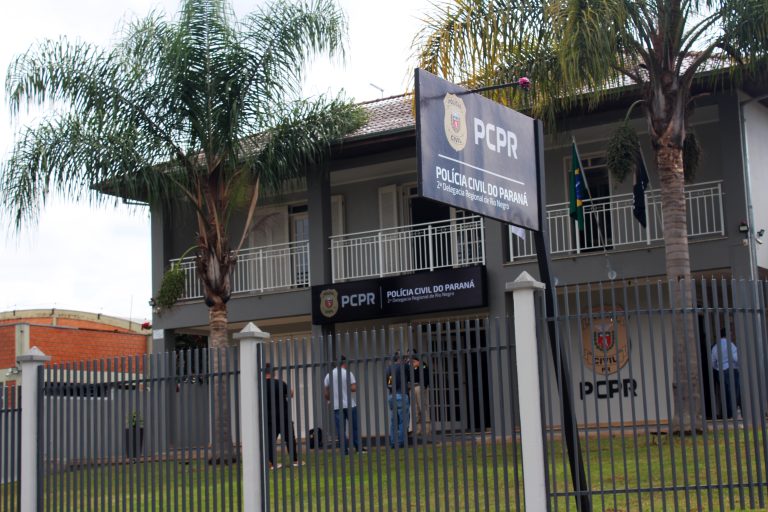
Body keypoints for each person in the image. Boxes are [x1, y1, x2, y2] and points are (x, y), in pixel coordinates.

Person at [262, 363, 302, 469]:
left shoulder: (261, 385)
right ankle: (294, 460)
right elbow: (291, 394)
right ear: (273, 373)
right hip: (283, 416)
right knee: (289, 438)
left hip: (269, 417)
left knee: (270, 440)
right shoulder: (280, 383)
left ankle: (271, 463)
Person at [323, 355, 365, 454]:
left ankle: (344, 450)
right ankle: (358, 448)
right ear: (344, 363)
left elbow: (325, 393)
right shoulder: (348, 373)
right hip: (350, 405)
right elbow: (354, 388)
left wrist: (329, 399)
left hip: (337, 406)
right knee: (354, 427)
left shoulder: (329, 375)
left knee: (341, 429)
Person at [711, 327, 741, 420]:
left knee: (725, 393)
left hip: (721, 372)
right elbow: (736, 358)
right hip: (731, 370)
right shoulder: (730, 345)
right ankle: (735, 414)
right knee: (734, 392)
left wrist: (718, 368)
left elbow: (713, 362)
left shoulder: (716, 346)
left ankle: (728, 414)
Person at [386, 353, 411, 448]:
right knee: (403, 421)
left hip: (392, 396)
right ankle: (401, 442)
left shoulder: (389, 369)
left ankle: (393, 442)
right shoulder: (404, 366)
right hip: (401, 395)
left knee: (394, 421)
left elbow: (390, 384)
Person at [410, 355, 431, 436]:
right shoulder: (414, 368)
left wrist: (424, 386)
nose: (412, 364)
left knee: (423, 407)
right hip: (413, 387)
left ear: (418, 361)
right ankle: (418, 429)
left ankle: (426, 429)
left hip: (420, 387)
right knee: (416, 409)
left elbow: (426, 377)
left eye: (413, 362)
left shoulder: (423, 366)